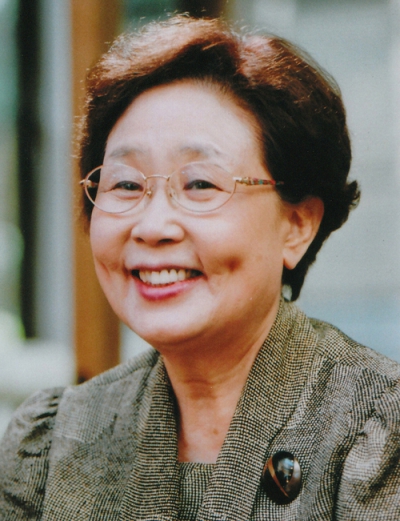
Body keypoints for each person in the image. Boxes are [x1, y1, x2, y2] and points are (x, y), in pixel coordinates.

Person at [0, 15, 399, 520]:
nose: (152, 226)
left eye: (200, 185)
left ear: (297, 224)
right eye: (126, 184)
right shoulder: (52, 444)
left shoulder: (377, 433)